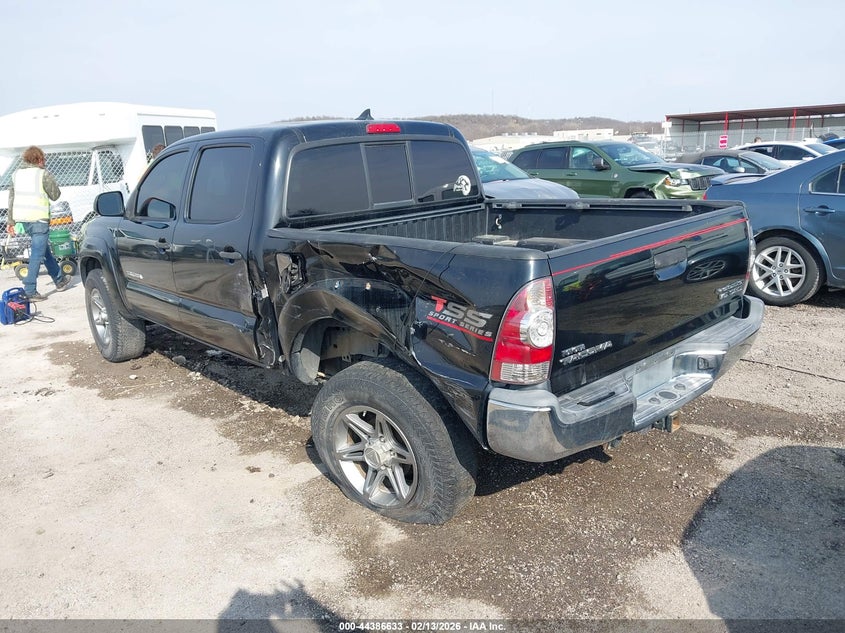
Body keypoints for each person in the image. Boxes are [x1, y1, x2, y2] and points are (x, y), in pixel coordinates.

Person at [6, 146, 71, 301]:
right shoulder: (43, 174)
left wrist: (11, 221)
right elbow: (55, 195)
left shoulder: (16, 175)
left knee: (43, 250)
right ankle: (29, 289)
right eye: (44, 159)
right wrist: (49, 178)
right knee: (37, 253)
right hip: (39, 220)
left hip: (24, 219)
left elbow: (11, 199)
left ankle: (59, 280)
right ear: (39, 159)